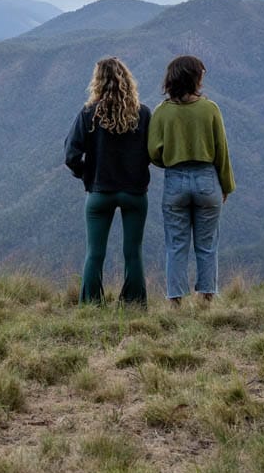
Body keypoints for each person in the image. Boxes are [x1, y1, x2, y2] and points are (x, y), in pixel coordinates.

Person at [147, 55, 234, 304]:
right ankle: (207, 298)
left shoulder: (162, 111)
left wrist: (172, 160)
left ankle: (175, 301)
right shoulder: (210, 109)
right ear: (195, 78)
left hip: (175, 180)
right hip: (207, 179)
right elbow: (222, 151)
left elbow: (153, 151)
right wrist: (226, 185)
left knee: (176, 245)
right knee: (206, 245)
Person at [64, 57, 152, 305]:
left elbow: (71, 155)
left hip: (100, 192)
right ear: (127, 81)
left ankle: (91, 304)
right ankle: (134, 304)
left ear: (98, 82)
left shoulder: (88, 114)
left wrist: (87, 174)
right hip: (134, 192)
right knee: (133, 253)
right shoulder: (143, 114)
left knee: (95, 253)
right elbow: (154, 151)